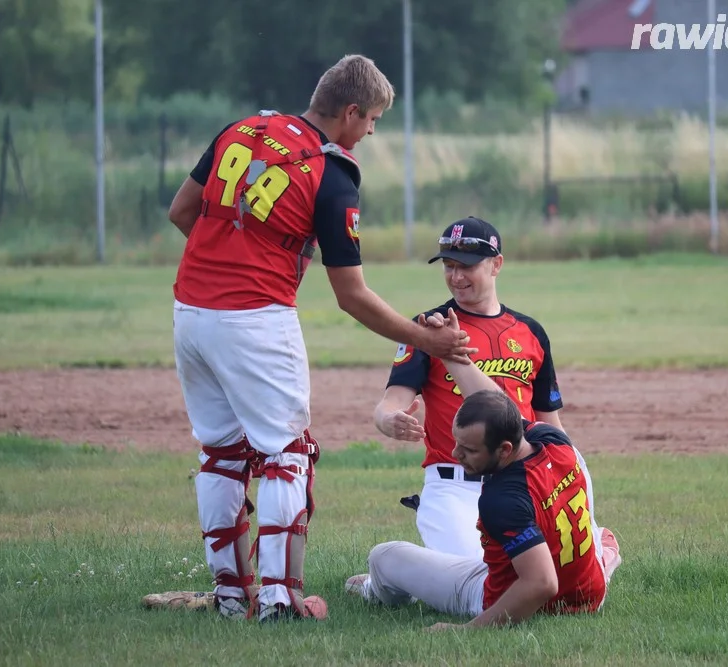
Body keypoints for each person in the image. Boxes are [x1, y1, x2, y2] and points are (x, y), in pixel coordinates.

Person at [165, 54, 475, 624]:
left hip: (190, 311)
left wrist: (235, 257)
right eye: (373, 119)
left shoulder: (244, 128)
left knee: (222, 454)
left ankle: (232, 596)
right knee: (287, 456)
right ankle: (280, 601)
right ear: (351, 112)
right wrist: (423, 340)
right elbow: (351, 293)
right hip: (255, 317)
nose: (373, 131)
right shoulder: (333, 169)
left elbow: (183, 211)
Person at [347, 309, 621, 629]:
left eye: (469, 449)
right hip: (590, 594)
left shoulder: (500, 498)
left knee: (385, 557)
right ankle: (603, 554)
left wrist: (466, 630)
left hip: (504, 597)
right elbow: (501, 406)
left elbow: (542, 584)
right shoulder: (558, 445)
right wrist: (451, 354)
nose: (454, 453)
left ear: (504, 449)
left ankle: (374, 589)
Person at [373, 216, 565, 560]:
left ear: (496, 265)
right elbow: (390, 404)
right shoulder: (428, 329)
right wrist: (388, 420)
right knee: (480, 579)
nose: (456, 277)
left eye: (467, 266)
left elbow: (550, 423)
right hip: (453, 487)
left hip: (523, 481)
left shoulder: (531, 332)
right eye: (448, 265)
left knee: (563, 570)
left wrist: (565, 480)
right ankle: (386, 578)